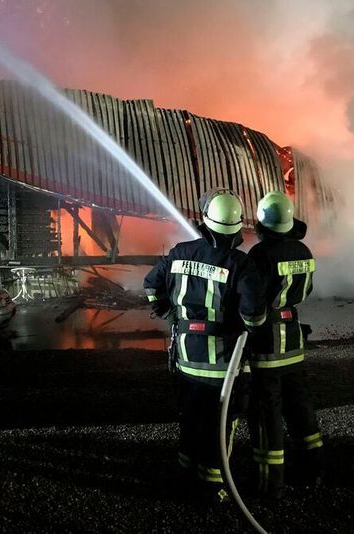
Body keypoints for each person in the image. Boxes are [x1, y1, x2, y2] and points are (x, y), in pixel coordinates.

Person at [143, 189, 267, 502]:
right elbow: (254, 315)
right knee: (220, 425)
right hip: (223, 367)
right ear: (238, 228)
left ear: (205, 222)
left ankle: (186, 474)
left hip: (185, 360)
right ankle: (212, 487)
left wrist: (168, 314)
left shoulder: (179, 252)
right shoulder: (241, 264)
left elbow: (150, 285)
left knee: (191, 417)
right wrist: (250, 330)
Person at [246, 191, 324, 500]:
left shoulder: (260, 255)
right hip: (293, 340)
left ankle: (270, 484)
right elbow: (306, 291)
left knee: (267, 415)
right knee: (300, 408)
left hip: (267, 344)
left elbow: (252, 300)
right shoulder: (304, 251)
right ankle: (313, 469)